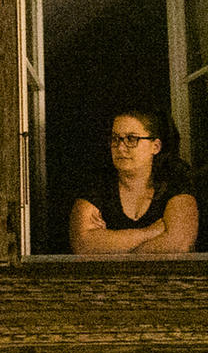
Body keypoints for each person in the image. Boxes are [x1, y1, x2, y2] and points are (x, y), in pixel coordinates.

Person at [68, 108, 199, 256]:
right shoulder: (98, 184)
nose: (120, 147)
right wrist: (150, 232)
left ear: (155, 146)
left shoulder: (175, 183)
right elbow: (83, 246)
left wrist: (111, 246)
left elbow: (178, 245)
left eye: (132, 139)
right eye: (115, 138)